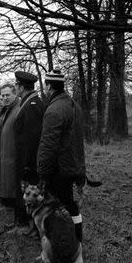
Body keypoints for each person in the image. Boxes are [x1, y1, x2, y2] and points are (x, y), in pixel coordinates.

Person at [37, 69, 86, 244]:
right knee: (70, 204)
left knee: (58, 204)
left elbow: (48, 145)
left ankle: (64, 241)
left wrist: (42, 172)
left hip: (59, 168)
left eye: (46, 84)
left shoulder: (54, 109)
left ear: (49, 85)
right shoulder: (75, 105)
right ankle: (76, 239)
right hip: (72, 165)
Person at [13, 71, 46, 228]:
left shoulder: (32, 105)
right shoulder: (29, 102)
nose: (15, 87)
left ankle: (26, 225)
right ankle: (24, 223)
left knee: (28, 194)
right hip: (26, 159)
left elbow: (31, 139)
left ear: (21, 87)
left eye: (16, 85)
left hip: (28, 161)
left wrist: (27, 165)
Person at [0, 83, 20, 208]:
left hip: (13, 156)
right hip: (6, 155)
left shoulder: (17, 109)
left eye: (8, 95)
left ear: (15, 94)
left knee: (12, 188)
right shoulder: (9, 109)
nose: (5, 98)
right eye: (3, 95)